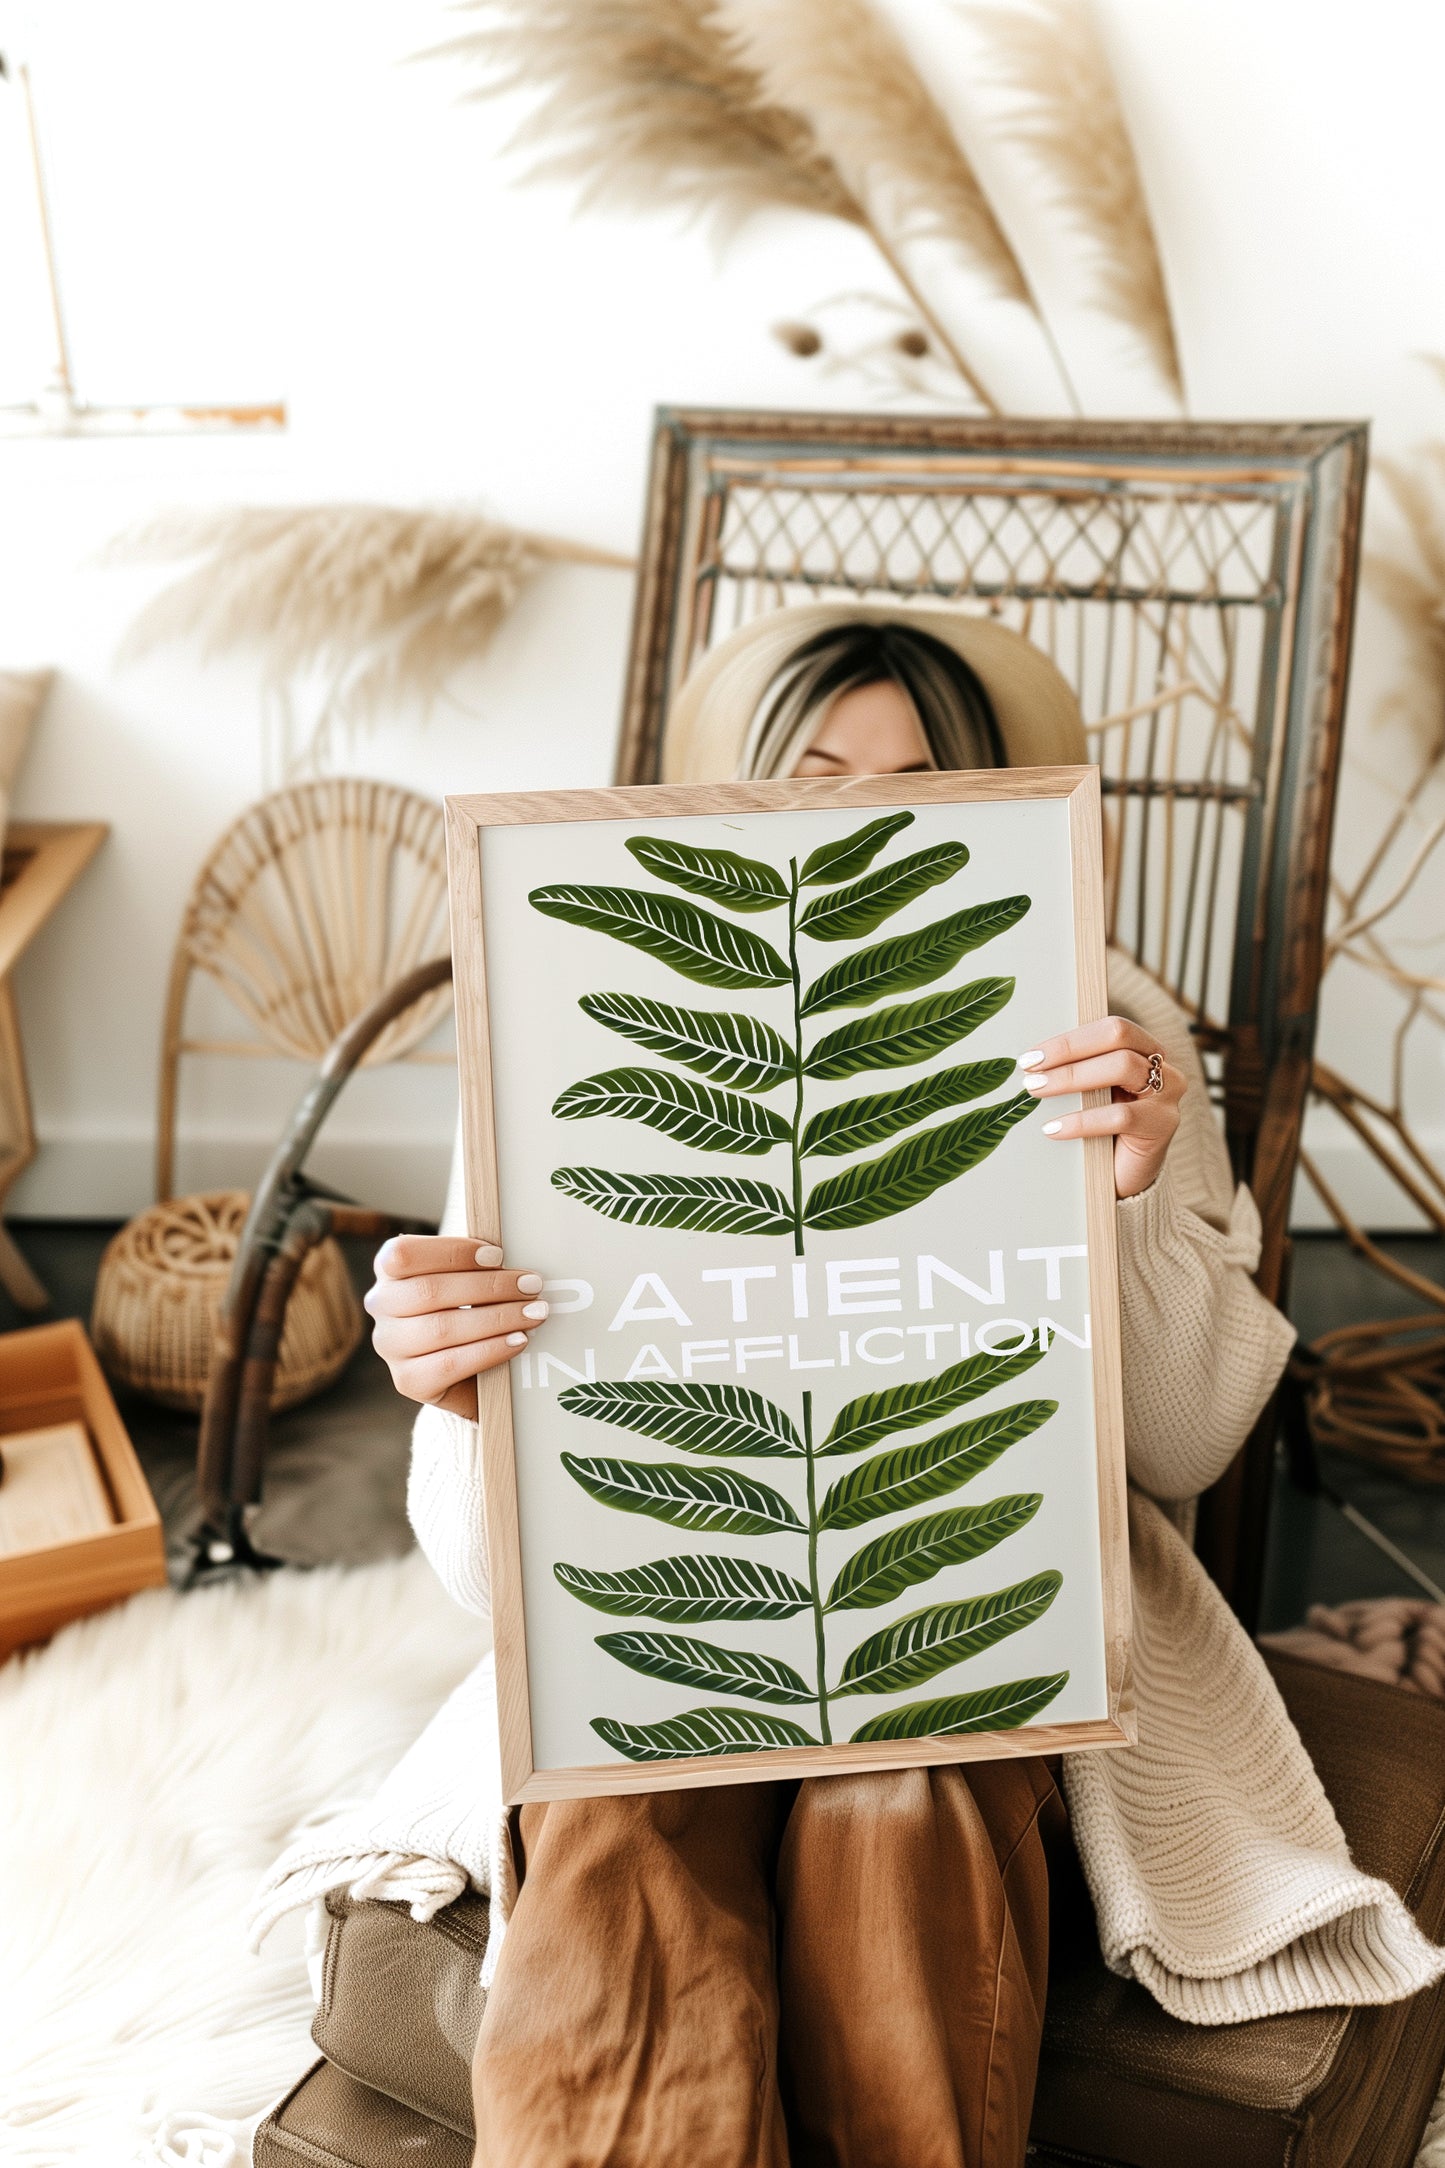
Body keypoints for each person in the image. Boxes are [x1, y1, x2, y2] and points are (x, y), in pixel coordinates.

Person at [364, 606, 1444, 2168]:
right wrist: (460, 1402)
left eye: (920, 781)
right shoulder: (565, 1021)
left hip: (984, 1580)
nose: (863, 815)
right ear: (734, 796)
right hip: (669, 1584)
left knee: (904, 1791)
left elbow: (1188, 1444)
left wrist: (1134, 1201)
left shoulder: (1103, 1032)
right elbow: (486, 1583)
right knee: (622, 1811)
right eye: (816, 772)